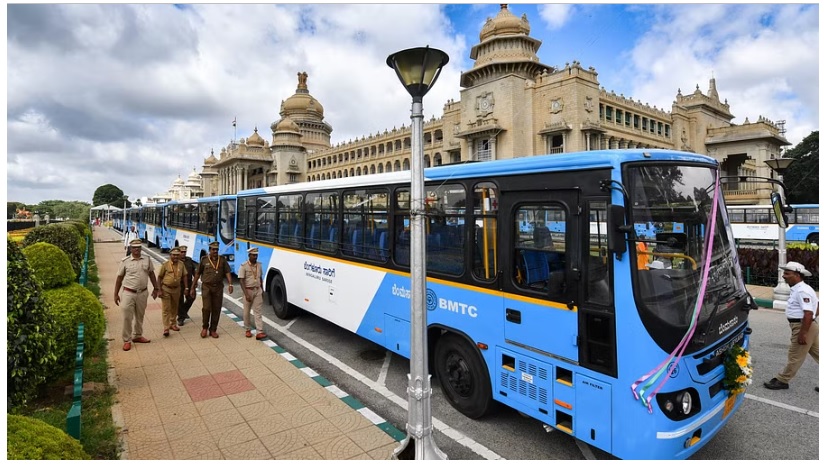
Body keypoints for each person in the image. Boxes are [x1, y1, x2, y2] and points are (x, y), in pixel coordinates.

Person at [764, 261, 819, 390]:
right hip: (808, 325)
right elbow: (817, 306)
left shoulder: (801, 291)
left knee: (795, 355)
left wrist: (803, 332)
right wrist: (811, 321)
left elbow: (808, 313)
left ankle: (782, 380)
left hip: (803, 326)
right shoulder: (802, 289)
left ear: (797, 275)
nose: (784, 276)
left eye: (787, 273)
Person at [114, 238, 160, 351]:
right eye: (134, 248)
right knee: (127, 317)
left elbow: (151, 274)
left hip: (142, 293)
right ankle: (127, 340)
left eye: (139, 247)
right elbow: (119, 279)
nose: (137, 250)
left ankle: (138, 335)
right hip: (128, 293)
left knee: (140, 316)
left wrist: (156, 288)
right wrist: (115, 294)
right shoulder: (125, 261)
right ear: (130, 248)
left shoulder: (147, 259)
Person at [189, 241, 233, 338]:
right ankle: (205, 327)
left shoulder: (222, 260)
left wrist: (230, 284)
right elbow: (197, 273)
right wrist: (193, 286)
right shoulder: (204, 260)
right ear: (209, 250)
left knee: (216, 309)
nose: (215, 251)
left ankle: (213, 329)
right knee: (206, 308)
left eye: (216, 250)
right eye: (213, 249)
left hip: (218, 287)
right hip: (207, 287)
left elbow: (227, 272)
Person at [157, 247, 186, 337]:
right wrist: (159, 290)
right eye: (174, 255)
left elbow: (185, 275)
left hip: (176, 289)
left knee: (174, 307)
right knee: (166, 309)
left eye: (177, 255)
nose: (176, 257)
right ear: (170, 255)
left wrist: (187, 288)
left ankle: (173, 324)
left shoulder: (181, 264)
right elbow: (159, 277)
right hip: (166, 289)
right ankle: (166, 327)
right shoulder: (165, 264)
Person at [239, 248, 267, 340]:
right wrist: (246, 294)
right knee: (246, 311)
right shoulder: (244, 266)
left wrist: (262, 290)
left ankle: (259, 331)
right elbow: (241, 281)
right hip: (248, 290)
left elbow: (260, 278)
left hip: (257, 290)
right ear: (249, 255)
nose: (255, 257)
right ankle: (247, 329)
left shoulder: (259, 265)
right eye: (253, 255)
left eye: (256, 255)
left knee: (258, 311)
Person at [177, 245, 196, 326]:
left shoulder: (189, 260)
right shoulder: (176, 261)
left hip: (189, 282)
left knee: (191, 297)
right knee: (179, 300)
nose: (183, 254)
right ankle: (181, 318)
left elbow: (194, 271)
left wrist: (195, 281)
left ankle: (183, 312)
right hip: (179, 283)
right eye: (182, 252)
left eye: (184, 252)